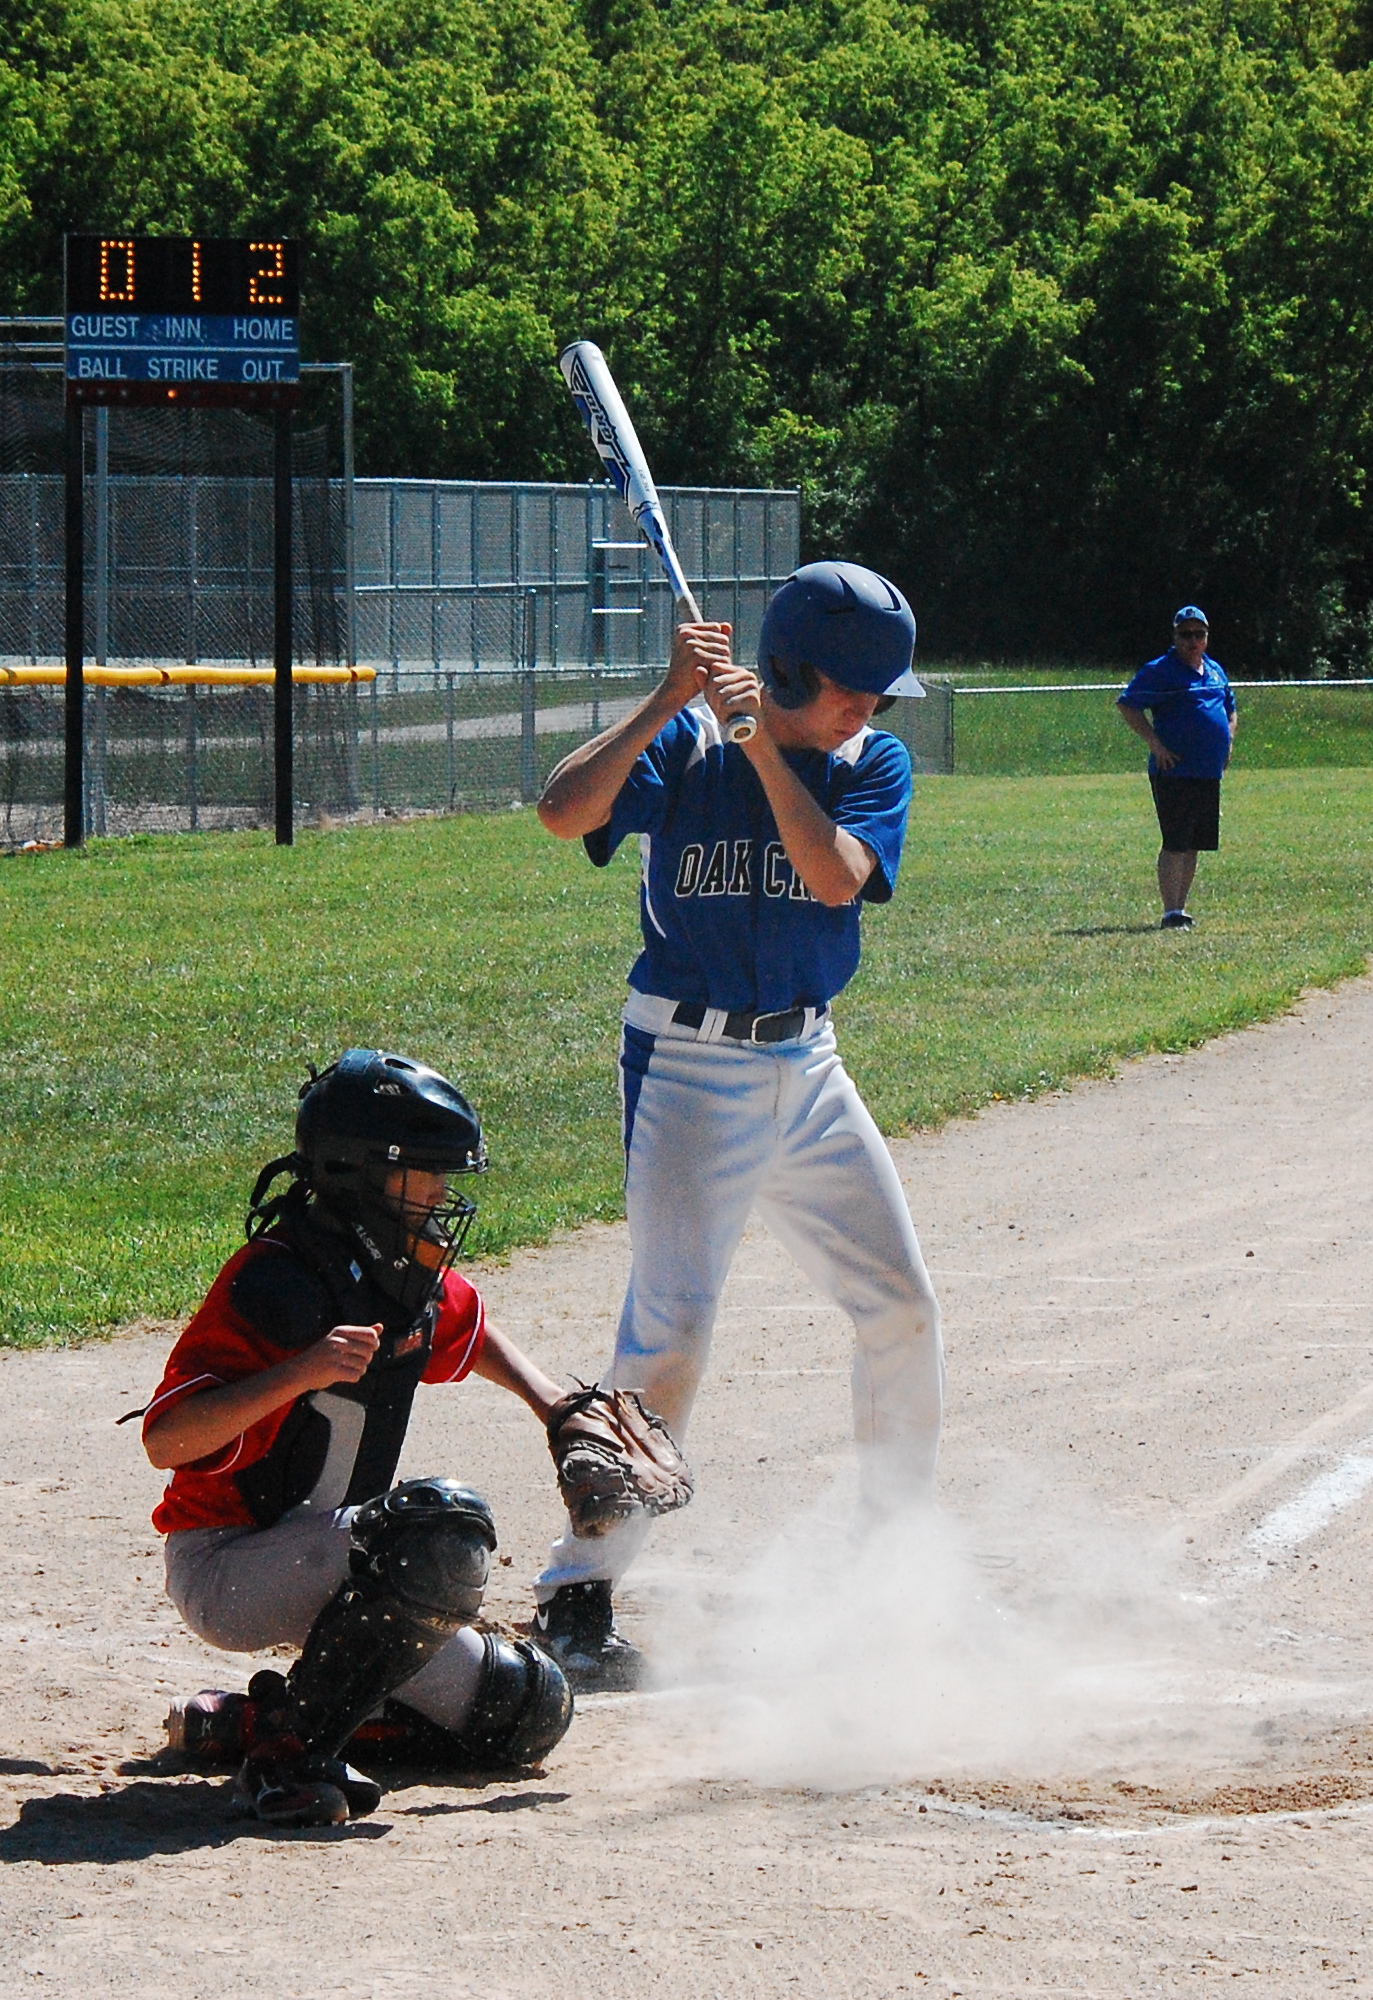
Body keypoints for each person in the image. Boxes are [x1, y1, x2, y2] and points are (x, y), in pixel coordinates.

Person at [525, 560, 941, 1689]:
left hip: (808, 1063)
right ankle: (577, 1593)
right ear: (792, 668)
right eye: (850, 686)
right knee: (670, 1331)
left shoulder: (872, 761)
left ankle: (895, 1567)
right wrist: (670, 698)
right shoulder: (689, 741)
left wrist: (767, 746)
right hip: (689, 1066)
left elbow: (834, 878)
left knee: (900, 1306)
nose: (869, 706)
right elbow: (562, 811)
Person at [138, 1050, 580, 1829]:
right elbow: (167, 1441)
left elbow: (466, 1329)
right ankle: (288, 1763)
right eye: (426, 1175)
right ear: (363, 1175)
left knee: (524, 1709)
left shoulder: (394, 1276)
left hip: (339, 1561)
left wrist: (554, 1407)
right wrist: (298, 1372)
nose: (442, 1194)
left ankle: (254, 1724)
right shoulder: (274, 1284)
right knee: (436, 1534)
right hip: (229, 1565)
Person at [1115, 605, 1237, 929]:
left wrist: (1228, 742)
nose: (1193, 641)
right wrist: (1156, 745)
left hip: (1207, 771)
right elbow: (1128, 705)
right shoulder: (1160, 671)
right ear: (1175, 637)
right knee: (1176, 841)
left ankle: (1181, 909)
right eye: (1186, 635)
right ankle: (1170, 912)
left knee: (1195, 843)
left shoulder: (1214, 670)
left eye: (1199, 634)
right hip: (1174, 770)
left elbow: (1230, 707)